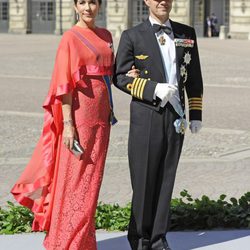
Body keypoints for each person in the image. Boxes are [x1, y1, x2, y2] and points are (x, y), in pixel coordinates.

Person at [10, 0, 137, 249]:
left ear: (99, 6)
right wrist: (68, 124)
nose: (88, 7)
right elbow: (63, 84)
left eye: (92, 2)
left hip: (103, 119)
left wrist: (127, 75)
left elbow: (109, 75)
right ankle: (66, 240)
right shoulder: (69, 38)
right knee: (75, 180)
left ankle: (84, 239)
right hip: (80, 118)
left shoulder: (106, 35)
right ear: (75, 7)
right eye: (82, 3)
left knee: (92, 180)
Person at [113, 0, 203, 249]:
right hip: (146, 116)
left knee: (166, 180)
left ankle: (158, 239)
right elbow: (119, 76)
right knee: (143, 181)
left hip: (176, 119)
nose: (162, 1)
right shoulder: (132, 36)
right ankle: (141, 240)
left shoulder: (187, 33)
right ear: (146, 1)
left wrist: (195, 114)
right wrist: (153, 89)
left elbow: (194, 75)